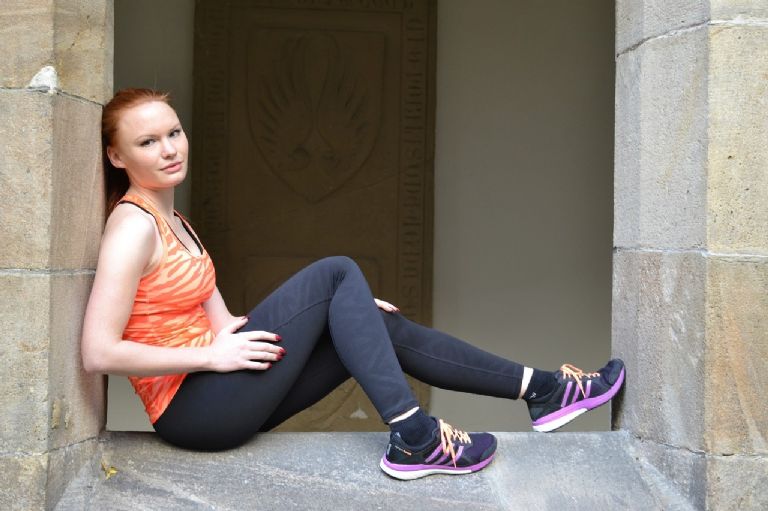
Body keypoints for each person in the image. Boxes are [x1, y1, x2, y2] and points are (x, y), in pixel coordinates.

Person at [81, 88, 625, 481]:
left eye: (174, 133)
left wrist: (349, 311)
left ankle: (544, 391)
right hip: (193, 410)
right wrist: (210, 358)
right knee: (337, 270)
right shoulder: (133, 227)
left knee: (371, 324)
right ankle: (415, 435)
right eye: (148, 142)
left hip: (219, 391)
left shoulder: (176, 221)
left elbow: (226, 326)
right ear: (117, 155)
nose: (169, 149)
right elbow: (98, 352)